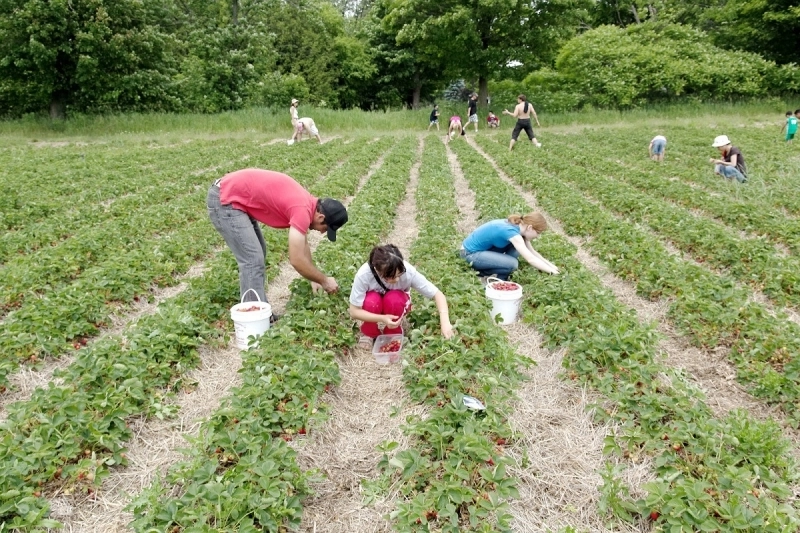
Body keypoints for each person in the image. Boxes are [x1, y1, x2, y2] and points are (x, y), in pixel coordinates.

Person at [207, 169, 348, 309]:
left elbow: (302, 245)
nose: (322, 233)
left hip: (235, 196)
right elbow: (296, 259)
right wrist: (324, 281)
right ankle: (253, 315)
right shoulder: (301, 209)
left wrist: (314, 278)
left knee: (257, 255)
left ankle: (259, 310)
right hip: (225, 199)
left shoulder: (308, 205)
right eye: (326, 229)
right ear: (321, 217)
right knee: (252, 260)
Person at [349, 244, 454, 349]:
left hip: (396, 303)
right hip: (374, 305)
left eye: (399, 275)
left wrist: (445, 322)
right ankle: (369, 332)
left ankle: (392, 332)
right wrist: (382, 318)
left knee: (394, 299)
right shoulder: (364, 275)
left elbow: (438, 294)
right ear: (377, 270)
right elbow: (354, 312)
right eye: (390, 277)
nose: (396, 280)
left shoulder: (408, 272)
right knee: (371, 301)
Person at [460, 213, 559, 281]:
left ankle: (500, 274)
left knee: (517, 248)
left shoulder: (518, 227)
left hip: (482, 251)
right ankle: (486, 275)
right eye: (538, 233)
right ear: (530, 228)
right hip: (469, 254)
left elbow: (532, 252)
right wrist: (552, 273)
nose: (537, 236)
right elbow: (531, 259)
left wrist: (552, 266)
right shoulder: (511, 233)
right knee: (512, 264)